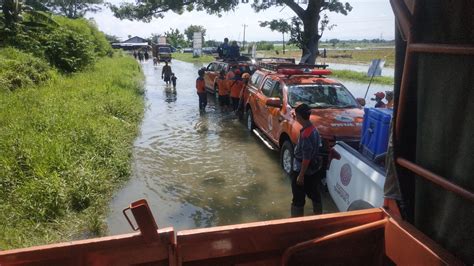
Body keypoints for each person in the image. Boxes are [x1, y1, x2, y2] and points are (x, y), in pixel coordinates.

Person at [291, 103, 322, 217]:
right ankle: (318, 217)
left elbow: (306, 157)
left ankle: (296, 222)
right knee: (315, 195)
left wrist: (301, 175)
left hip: (302, 170)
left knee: (298, 198)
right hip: (313, 170)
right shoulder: (314, 129)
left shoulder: (306, 134)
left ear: (299, 116)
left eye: (295, 115)